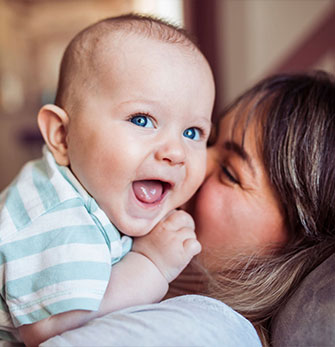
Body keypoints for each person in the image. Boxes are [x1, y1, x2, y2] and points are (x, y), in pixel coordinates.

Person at [42, 70, 334, 347]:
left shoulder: (205, 332)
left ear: (301, 240)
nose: (191, 165)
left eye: (230, 173)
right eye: (202, 137)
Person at [0, 14, 215, 346]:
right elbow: (50, 329)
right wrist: (151, 264)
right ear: (62, 136)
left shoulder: (95, 195)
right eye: (142, 120)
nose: (176, 151)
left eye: (192, 132)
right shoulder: (59, 211)